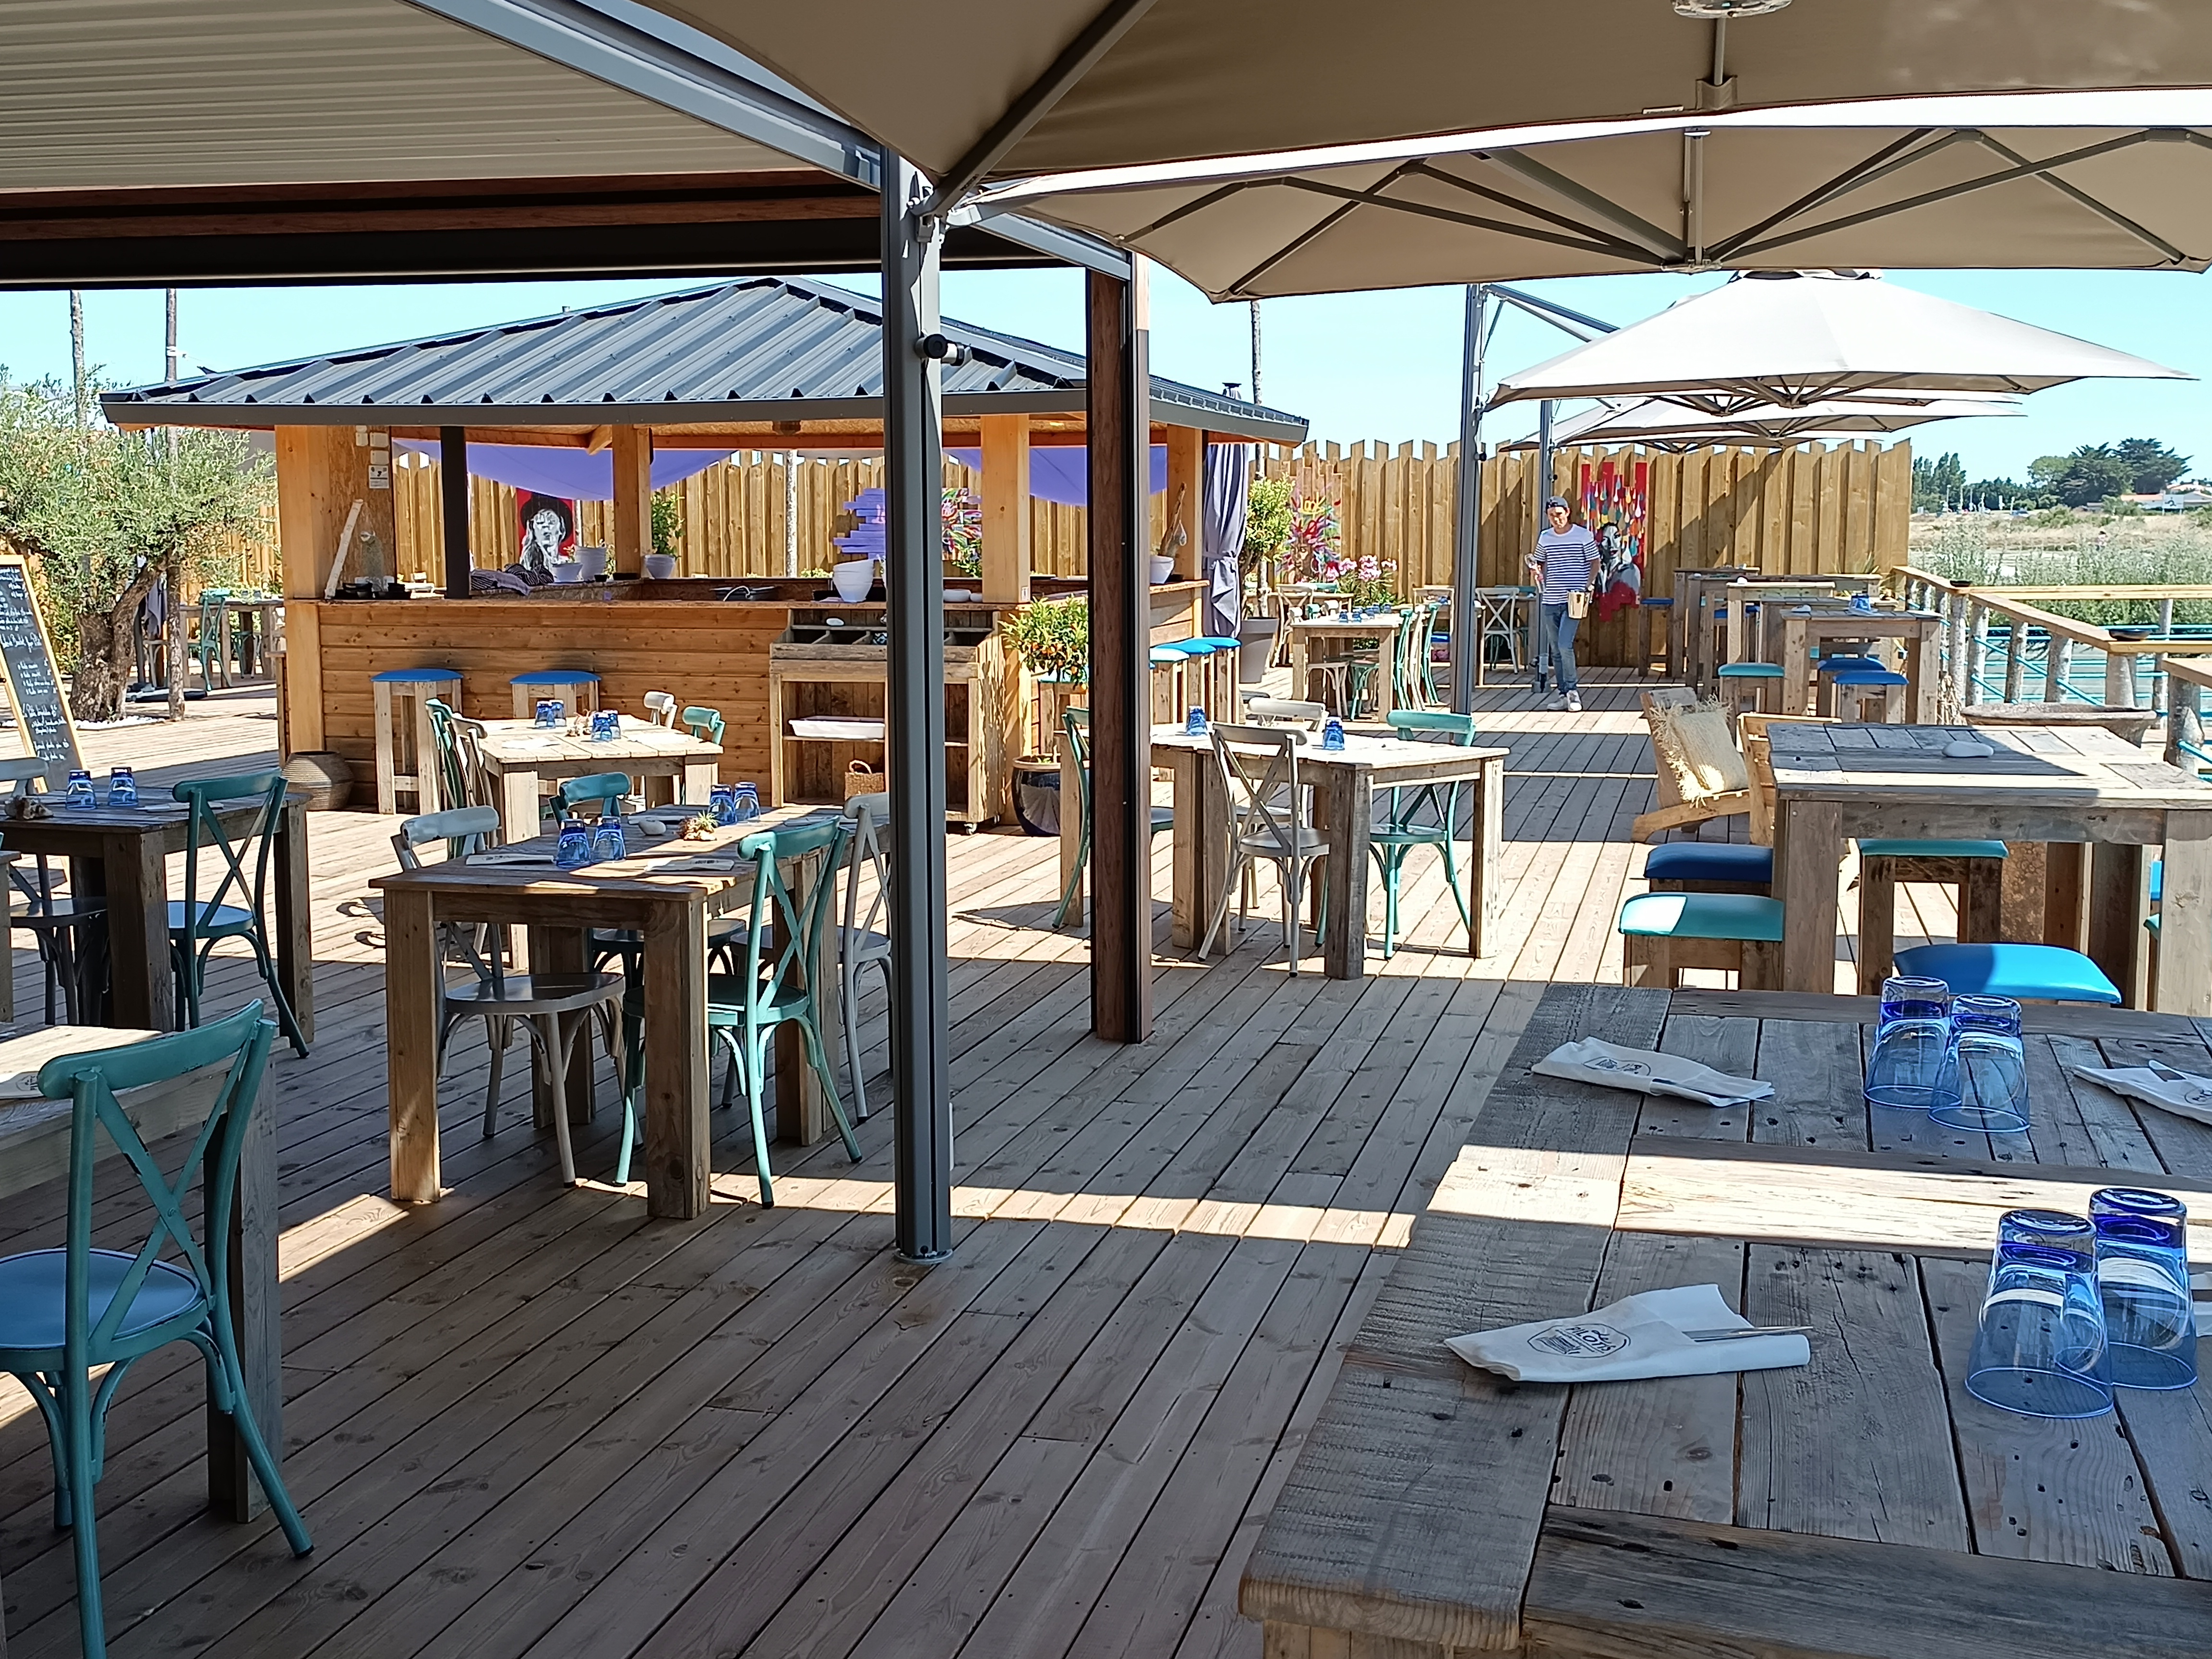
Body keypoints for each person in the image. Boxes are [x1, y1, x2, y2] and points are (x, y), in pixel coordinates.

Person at [1527, 495, 1599, 713]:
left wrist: (1589, 585)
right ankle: (1563, 694)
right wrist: (1537, 572)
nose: (1556, 519)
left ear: (1567, 512)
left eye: (1559, 514)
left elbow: (1595, 562)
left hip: (1575, 598)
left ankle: (1573, 691)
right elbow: (1539, 562)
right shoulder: (1545, 537)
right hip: (1550, 598)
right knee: (1556, 650)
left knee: (1565, 645)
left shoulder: (1583, 535)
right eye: (1551, 516)